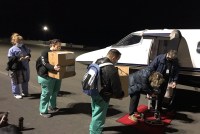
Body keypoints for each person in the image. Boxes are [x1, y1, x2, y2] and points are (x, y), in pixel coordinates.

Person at [89, 49, 124, 134]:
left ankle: (92, 129)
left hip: (93, 91)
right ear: (113, 57)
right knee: (99, 116)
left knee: (95, 112)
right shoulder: (111, 69)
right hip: (103, 95)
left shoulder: (97, 61)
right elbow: (116, 87)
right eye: (117, 59)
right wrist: (120, 95)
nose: (116, 61)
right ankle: (95, 132)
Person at [37, 39, 62, 118]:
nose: (59, 48)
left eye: (60, 46)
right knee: (46, 93)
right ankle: (43, 111)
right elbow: (45, 63)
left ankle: (52, 106)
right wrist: (53, 67)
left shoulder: (58, 53)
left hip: (56, 75)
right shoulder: (45, 52)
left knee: (55, 91)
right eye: (58, 46)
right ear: (52, 45)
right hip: (45, 76)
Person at [7, 33, 31, 99]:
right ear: (14, 41)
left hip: (25, 66)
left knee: (26, 79)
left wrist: (28, 56)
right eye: (19, 41)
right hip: (17, 67)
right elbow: (10, 59)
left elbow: (29, 54)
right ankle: (16, 93)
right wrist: (19, 58)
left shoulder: (24, 47)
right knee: (16, 80)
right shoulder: (12, 49)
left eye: (21, 40)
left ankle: (25, 92)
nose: (21, 42)